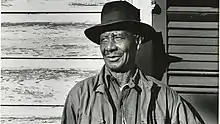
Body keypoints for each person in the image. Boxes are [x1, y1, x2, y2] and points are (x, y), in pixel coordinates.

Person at [61, 1, 204, 124]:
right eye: (104, 39)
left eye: (117, 37)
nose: (109, 47)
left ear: (137, 41)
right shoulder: (80, 95)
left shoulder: (164, 97)